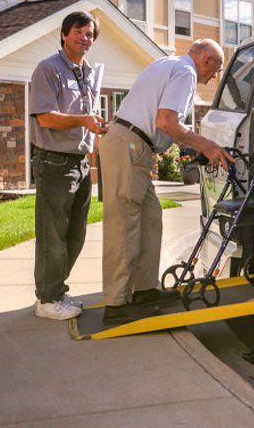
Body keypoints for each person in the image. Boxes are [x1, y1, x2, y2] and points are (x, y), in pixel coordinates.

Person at [99, 39, 232, 324]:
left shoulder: (168, 63)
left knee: (150, 217)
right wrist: (205, 145)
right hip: (130, 145)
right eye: (216, 69)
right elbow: (167, 122)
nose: (214, 77)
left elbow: (161, 122)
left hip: (131, 145)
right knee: (124, 224)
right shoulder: (186, 73)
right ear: (206, 60)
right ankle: (117, 305)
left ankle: (145, 291)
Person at [29, 11, 107, 320]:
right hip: (54, 163)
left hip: (81, 163)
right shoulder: (48, 69)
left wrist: (97, 129)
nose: (84, 38)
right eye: (79, 32)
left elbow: (85, 119)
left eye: (89, 34)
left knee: (76, 234)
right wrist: (83, 120)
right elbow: (45, 116)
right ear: (64, 34)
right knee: (53, 234)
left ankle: (56, 290)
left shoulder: (88, 72)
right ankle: (47, 299)